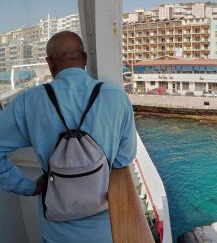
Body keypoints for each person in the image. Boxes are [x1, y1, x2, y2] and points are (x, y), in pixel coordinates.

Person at [0, 31, 137, 242]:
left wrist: (28, 187)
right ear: (84, 58)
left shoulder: (29, 101)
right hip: (102, 224)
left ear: (50, 63)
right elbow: (123, 159)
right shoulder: (117, 98)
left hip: (56, 228)